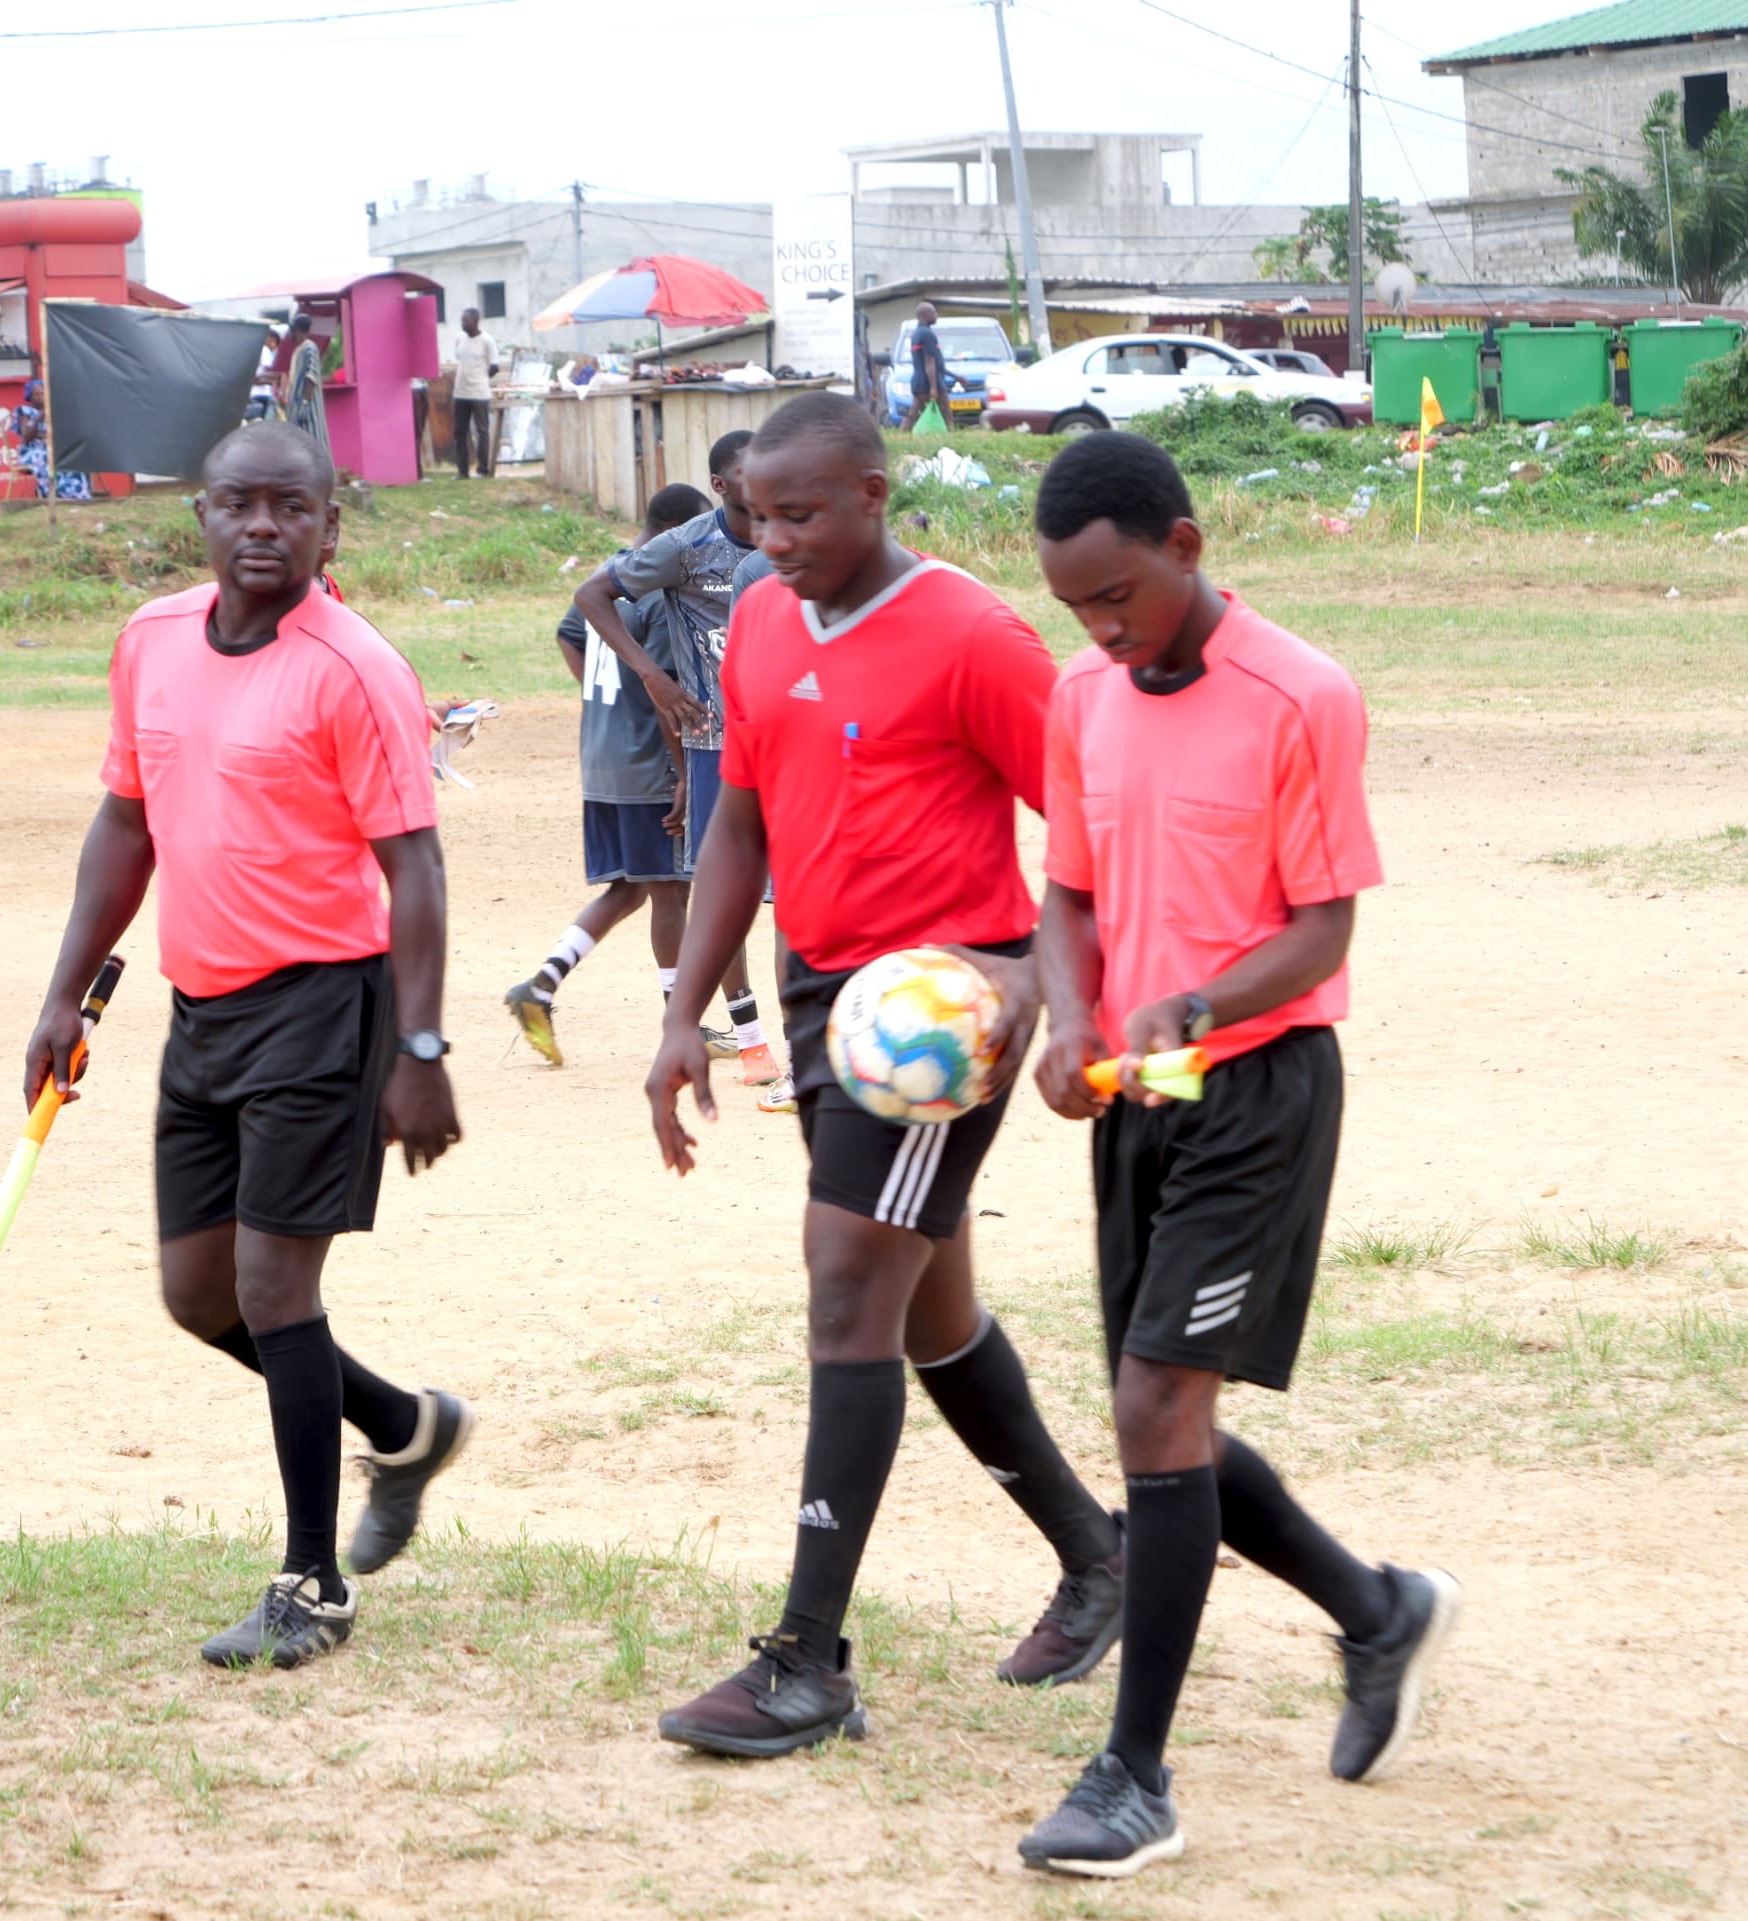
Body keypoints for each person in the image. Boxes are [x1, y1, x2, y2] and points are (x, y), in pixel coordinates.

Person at [644, 394, 1130, 1759]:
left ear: (872, 493)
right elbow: (739, 821)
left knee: (848, 1282)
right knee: (926, 1312)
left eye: (799, 514)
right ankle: (1101, 1557)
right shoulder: (758, 619)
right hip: (823, 1002)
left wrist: (1031, 981)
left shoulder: (972, 636)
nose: (772, 540)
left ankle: (807, 1659)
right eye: (755, 516)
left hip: (939, 1018)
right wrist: (684, 1011)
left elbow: (1094, 826)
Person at [1015, 431, 1458, 1879]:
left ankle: (1133, 1777)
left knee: (1155, 1404)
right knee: (1165, 1420)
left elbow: (1323, 929)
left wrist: (1199, 1003)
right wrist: (1071, 1015)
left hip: (1258, 1089)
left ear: (1187, 548)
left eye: (1119, 596)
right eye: (1076, 608)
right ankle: (1379, 1613)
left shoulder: (1301, 694)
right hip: (1134, 1098)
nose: (1101, 629)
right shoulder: (1081, 695)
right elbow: (1069, 894)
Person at [25, 422, 472, 1672]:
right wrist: (64, 995)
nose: (262, 525)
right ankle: (404, 1425)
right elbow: (127, 821)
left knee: (277, 1288)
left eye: (290, 507)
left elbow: (416, 868)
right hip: (202, 1004)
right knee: (199, 1293)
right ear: (203, 516)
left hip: (326, 1004)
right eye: (237, 504)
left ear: (331, 527)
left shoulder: (356, 668)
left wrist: (419, 1046)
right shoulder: (151, 641)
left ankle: (312, 1583)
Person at [578, 430, 785, 1102]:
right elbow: (590, 597)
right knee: (727, 898)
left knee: (795, 897)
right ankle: (751, 1041)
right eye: (748, 475)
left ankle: (809, 1043)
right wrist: (653, 677)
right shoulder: (685, 547)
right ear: (720, 485)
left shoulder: (794, 536)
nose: (765, 485)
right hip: (716, 744)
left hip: (790, 740)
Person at [505, 483, 709, 1067]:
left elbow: (568, 636)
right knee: (670, 889)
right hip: (648, 761)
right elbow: (668, 696)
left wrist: (607, 704)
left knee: (630, 887)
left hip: (601, 758)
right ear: (675, 533)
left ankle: (540, 986)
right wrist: (684, 775)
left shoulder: (608, 574)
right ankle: (682, 1026)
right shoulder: (658, 594)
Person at [451, 307, 499, 480]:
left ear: (475, 321)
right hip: (460, 392)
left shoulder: (486, 340)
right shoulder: (459, 338)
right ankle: (462, 471)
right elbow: (460, 360)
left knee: (482, 431)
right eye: (462, 320)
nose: (463, 323)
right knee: (459, 432)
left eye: (466, 320)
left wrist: (481, 378)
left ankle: (482, 469)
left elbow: (495, 366)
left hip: (479, 393)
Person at [283, 318, 329, 462]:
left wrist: (305, 402)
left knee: (314, 441)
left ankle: (322, 472)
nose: (290, 334)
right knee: (300, 445)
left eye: (292, 331)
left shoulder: (310, 348)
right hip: (296, 408)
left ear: (297, 330)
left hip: (309, 408)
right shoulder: (298, 350)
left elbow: (311, 376)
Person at [907, 302, 949, 432]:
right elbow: (930, 361)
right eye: (934, 312)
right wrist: (933, 387)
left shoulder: (917, 333)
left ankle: (902, 433)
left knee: (913, 414)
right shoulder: (927, 334)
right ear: (925, 314)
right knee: (946, 414)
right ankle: (951, 436)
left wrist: (955, 376)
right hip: (929, 383)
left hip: (919, 382)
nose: (936, 315)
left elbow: (937, 364)